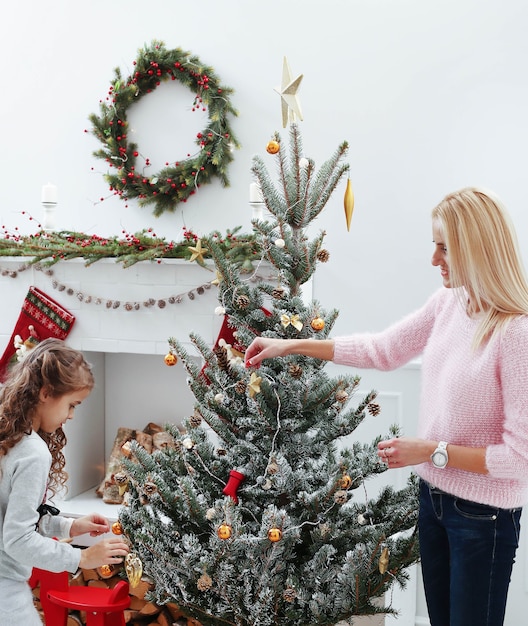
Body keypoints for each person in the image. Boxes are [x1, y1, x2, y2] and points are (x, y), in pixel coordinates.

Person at [244, 187, 528, 626]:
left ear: (476, 249)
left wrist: (433, 451)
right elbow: (383, 350)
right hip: (433, 500)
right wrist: (291, 345)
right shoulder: (449, 303)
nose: (435, 259)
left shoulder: (516, 334)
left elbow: (519, 460)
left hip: (483, 517)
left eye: (444, 247)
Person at [0, 338, 129, 626]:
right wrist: (80, 559)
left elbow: (10, 518)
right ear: (46, 393)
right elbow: (17, 540)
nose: (71, 415)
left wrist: (68, 526)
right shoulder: (33, 453)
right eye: (72, 404)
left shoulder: (8, 437)